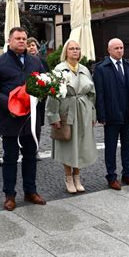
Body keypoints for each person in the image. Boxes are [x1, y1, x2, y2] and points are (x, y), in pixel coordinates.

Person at [0, 27, 46, 211]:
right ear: (9, 41)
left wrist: (42, 93)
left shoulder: (35, 61)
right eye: (17, 38)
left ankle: (30, 191)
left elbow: (44, 82)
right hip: (10, 119)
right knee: (10, 158)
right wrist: (10, 102)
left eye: (24, 38)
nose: (21, 41)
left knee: (30, 157)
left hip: (31, 119)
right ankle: (9, 195)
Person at [46, 40, 97, 194]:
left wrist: (93, 114)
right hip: (66, 111)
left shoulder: (84, 69)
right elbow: (53, 94)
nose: (75, 51)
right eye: (72, 49)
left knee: (80, 145)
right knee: (69, 145)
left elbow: (92, 93)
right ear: (66, 52)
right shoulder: (59, 69)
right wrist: (53, 116)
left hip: (83, 111)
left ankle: (77, 177)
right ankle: (68, 177)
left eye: (77, 49)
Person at [93, 38, 129, 191]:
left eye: (121, 47)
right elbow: (99, 95)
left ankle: (127, 174)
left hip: (128, 115)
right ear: (109, 50)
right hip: (111, 115)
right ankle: (112, 176)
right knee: (111, 148)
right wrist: (101, 116)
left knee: (127, 146)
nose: (120, 50)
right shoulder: (101, 69)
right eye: (116, 48)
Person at [27, 37, 49, 160]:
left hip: (39, 99)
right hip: (27, 98)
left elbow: (48, 78)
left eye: (33, 45)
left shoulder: (43, 62)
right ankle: (26, 149)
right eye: (29, 45)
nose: (31, 47)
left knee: (38, 125)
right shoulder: (24, 61)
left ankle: (35, 149)